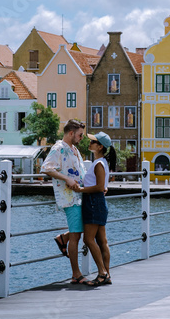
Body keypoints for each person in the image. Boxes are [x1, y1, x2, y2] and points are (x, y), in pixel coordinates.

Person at [41, 119, 92, 285]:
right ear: (71, 133)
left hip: (80, 196)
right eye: (80, 135)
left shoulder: (74, 149)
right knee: (76, 235)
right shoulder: (58, 148)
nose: (82, 138)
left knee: (82, 229)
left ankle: (63, 238)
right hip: (69, 198)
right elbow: (47, 168)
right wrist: (67, 179)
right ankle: (76, 274)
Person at [77, 131, 116, 286]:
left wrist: (80, 190)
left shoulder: (99, 164)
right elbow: (102, 186)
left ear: (100, 147)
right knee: (101, 241)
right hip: (97, 202)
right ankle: (106, 274)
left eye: (93, 141)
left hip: (93, 202)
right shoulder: (102, 162)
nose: (90, 143)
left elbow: (99, 187)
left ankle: (102, 273)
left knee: (88, 239)